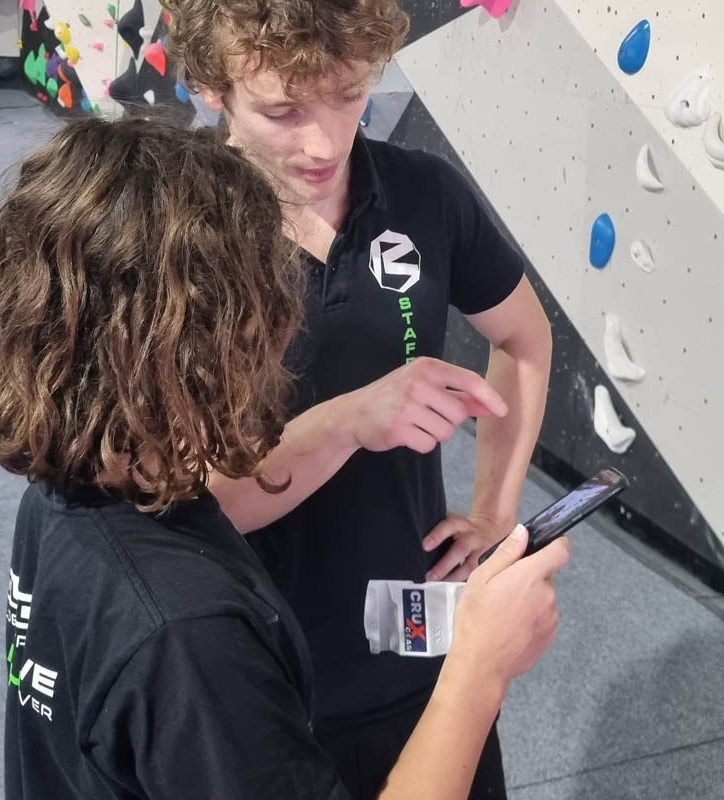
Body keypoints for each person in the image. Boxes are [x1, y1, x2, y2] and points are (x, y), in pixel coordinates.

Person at [0, 117, 568, 800]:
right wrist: (480, 668)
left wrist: (349, 429)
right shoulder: (193, 641)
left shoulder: (58, 500)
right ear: (203, 353)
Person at [161, 1, 555, 797]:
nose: (325, 143)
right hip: (251, 669)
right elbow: (178, 500)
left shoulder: (425, 194)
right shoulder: (171, 234)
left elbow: (526, 340)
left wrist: (495, 511)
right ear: (210, 86)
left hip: (420, 646)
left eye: (349, 96)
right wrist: (345, 423)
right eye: (283, 109)